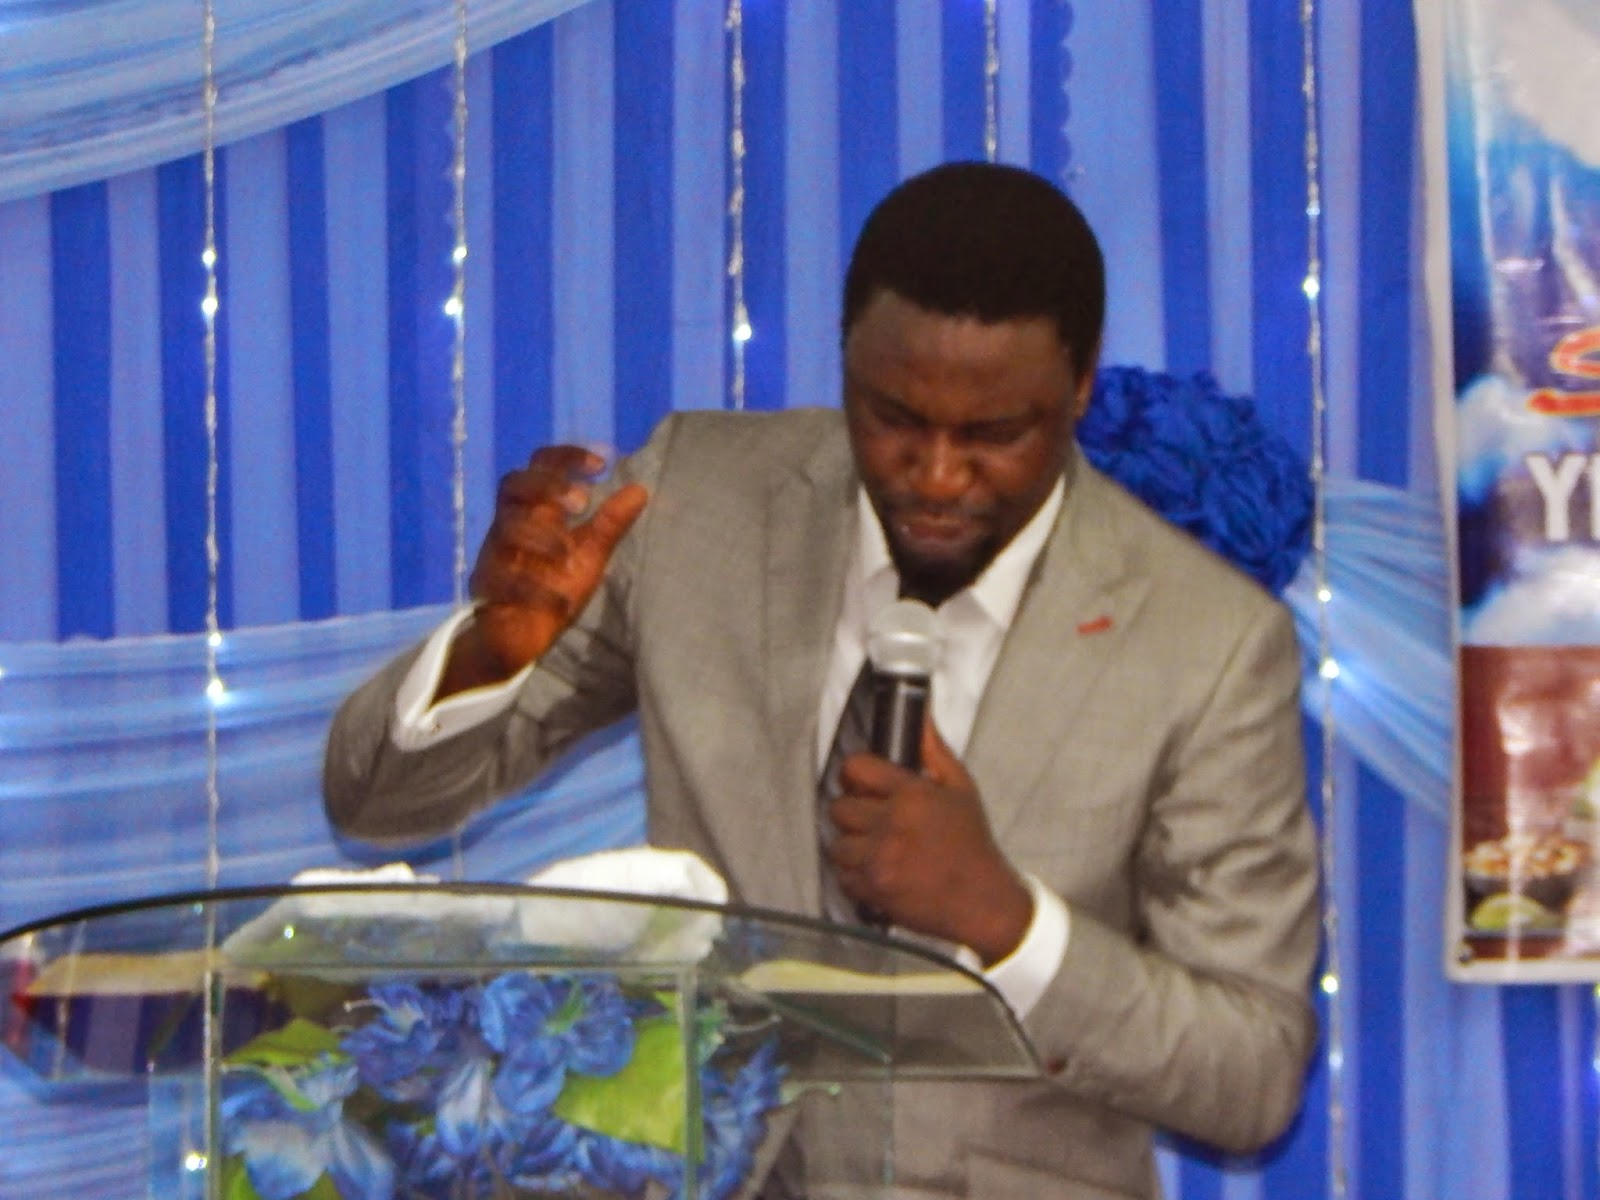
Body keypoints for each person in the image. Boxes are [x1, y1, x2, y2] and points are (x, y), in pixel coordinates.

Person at [325, 161, 1320, 1199]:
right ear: (844, 358)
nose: (936, 475)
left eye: (993, 435)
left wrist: (1007, 922)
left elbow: (1250, 1077)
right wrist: (489, 659)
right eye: (893, 417)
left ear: (1078, 390)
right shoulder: (695, 500)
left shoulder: (1208, 641)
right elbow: (374, 802)